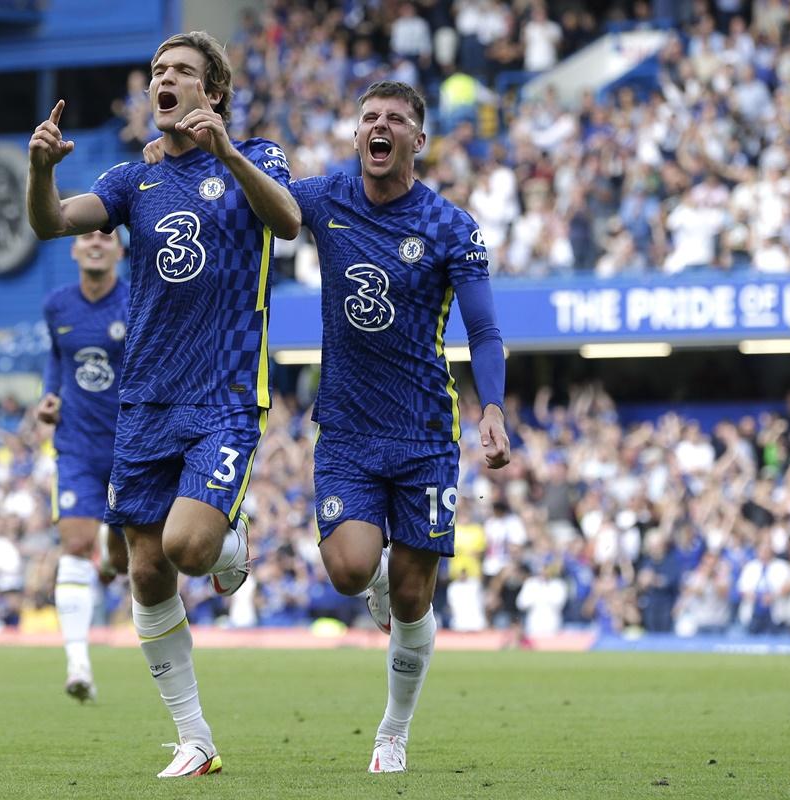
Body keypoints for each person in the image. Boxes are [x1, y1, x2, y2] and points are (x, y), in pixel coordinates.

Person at [26, 31, 300, 778]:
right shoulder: (129, 181)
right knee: (145, 572)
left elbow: (288, 223)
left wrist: (228, 154)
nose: (164, 80)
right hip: (142, 402)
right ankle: (196, 739)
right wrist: (39, 171)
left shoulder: (261, 157)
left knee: (187, 547)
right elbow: (51, 222)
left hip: (223, 392)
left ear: (212, 90)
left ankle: (231, 539)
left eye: (181, 71)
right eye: (157, 73)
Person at [289, 80, 511, 773]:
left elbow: (485, 329)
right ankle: (374, 582)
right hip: (349, 431)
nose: (378, 128)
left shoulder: (450, 225)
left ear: (418, 139)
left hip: (423, 434)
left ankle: (393, 730)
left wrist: (494, 409)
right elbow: (257, 203)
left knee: (413, 597)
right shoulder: (325, 199)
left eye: (394, 120)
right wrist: (185, 154)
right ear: (357, 135)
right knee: (351, 569)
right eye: (368, 119)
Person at [35, 228, 131, 702]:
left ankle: (111, 564)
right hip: (74, 444)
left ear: (119, 250)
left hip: (130, 450)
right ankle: (78, 664)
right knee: (73, 544)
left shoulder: (137, 302)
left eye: (106, 235)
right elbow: (57, 357)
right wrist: (48, 396)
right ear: (73, 249)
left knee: (120, 557)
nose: (95, 241)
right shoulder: (57, 305)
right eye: (87, 236)